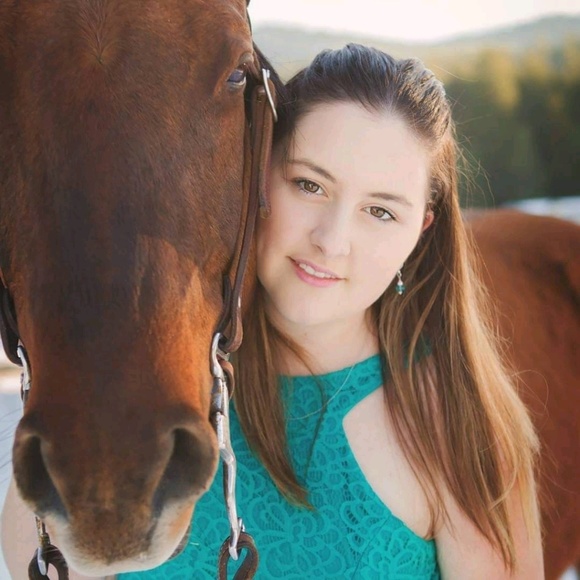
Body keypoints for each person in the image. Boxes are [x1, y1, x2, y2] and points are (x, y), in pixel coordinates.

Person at [5, 44, 543, 579]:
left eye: (380, 211)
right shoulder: (148, 385)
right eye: (309, 185)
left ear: (420, 232)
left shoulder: (454, 423)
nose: (332, 241)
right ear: (256, 177)